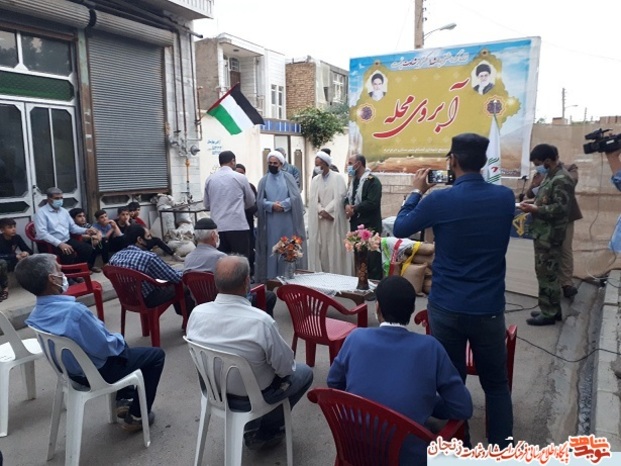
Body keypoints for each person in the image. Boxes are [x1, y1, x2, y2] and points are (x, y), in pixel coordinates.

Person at [393, 133, 514, 448]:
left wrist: (416, 191)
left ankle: (460, 443)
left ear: (453, 160)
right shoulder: (505, 198)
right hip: (488, 308)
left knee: (451, 380)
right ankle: (502, 448)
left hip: (447, 306)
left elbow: (401, 227)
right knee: (496, 385)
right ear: (483, 161)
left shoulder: (439, 200)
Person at [328, 276, 472, 465]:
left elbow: (334, 382)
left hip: (354, 449)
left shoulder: (355, 338)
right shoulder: (431, 347)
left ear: (378, 307)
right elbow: (462, 407)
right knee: (448, 429)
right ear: (412, 311)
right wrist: (427, 402)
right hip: (406, 457)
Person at [17, 254, 165, 432]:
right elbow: (106, 347)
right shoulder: (74, 312)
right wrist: (118, 339)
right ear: (52, 279)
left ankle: (125, 398)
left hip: (71, 375)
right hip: (96, 374)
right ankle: (137, 416)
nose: (63, 274)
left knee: (122, 348)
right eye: (59, 270)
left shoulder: (36, 314)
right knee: (154, 355)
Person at [186, 255, 313, 450]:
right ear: (247, 281)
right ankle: (268, 430)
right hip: (253, 399)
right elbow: (287, 368)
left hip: (213, 392)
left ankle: (254, 425)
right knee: (305, 373)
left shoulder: (197, 314)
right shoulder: (260, 322)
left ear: (216, 282)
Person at [518, 144, 575, 326]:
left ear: (548, 161)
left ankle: (548, 313)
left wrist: (536, 209)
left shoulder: (562, 179)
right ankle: (552, 309)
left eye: (538, 163)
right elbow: (547, 198)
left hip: (550, 235)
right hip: (544, 233)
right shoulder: (551, 176)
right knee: (546, 273)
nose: (537, 167)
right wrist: (533, 201)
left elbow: (560, 208)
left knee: (546, 274)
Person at [183, 218, 276, 316]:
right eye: (217, 233)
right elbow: (242, 287)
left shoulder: (188, 258)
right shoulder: (222, 258)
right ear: (213, 235)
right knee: (269, 296)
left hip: (201, 306)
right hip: (228, 306)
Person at [108, 224, 192, 317]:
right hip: (148, 298)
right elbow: (175, 277)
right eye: (148, 236)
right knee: (186, 283)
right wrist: (189, 273)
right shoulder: (148, 257)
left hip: (128, 299)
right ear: (140, 240)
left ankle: (186, 315)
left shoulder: (115, 257)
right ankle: (191, 317)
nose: (151, 240)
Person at [526, 161, 582, 299]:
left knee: (565, 248)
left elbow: (571, 182)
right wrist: (535, 183)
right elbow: (530, 194)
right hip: (544, 218)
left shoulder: (569, 168)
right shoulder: (540, 173)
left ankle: (566, 284)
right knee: (546, 250)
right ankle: (550, 284)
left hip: (564, 218)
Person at [255, 150, 307, 283]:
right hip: (271, 221)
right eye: (270, 163)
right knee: (272, 247)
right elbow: (260, 200)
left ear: (281, 164)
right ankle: (272, 277)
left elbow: (295, 197)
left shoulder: (288, 178)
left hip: (287, 219)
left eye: (275, 163)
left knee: (288, 246)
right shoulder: (263, 181)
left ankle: (288, 274)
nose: (272, 165)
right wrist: (271, 205)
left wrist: (283, 205)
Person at [203, 150, 256, 258]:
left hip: (218, 227)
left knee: (222, 260)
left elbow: (207, 205)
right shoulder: (241, 178)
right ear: (232, 161)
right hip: (238, 226)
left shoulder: (210, 179)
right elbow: (251, 201)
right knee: (240, 260)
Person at [308, 151, 352, 275]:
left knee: (334, 249)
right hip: (321, 220)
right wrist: (321, 210)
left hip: (334, 220)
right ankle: (324, 275)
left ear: (325, 164)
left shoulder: (338, 178)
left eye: (319, 164)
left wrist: (328, 211)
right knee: (323, 250)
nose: (317, 167)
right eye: (315, 165)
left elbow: (340, 197)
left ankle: (337, 275)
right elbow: (313, 199)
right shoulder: (315, 180)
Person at [34, 187, 100, 265]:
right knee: (68, 253)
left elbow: (73, 228)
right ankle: (69, 271)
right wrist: (60, 244)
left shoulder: (64, 211)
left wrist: (86, 230)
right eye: (56, 198)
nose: (59, 200)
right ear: (49, 199)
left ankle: (78, 269)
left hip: (66, 240)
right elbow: (42, 233)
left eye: (61, 198)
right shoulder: (41, 213)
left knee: (88, 249)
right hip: (50, 243)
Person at [345, 154, 382, 279]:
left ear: (358, 164)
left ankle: (374, 285)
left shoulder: (372, 181)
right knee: (359, 259)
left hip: (370, 227)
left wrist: (354, 208)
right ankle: (361, 283)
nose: (348, 166)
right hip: (356, 226)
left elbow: (372, 203)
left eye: (350, 163)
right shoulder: (353, 181)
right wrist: (347, 206)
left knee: (372, 260)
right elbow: (347, 197)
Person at [0, 217, 32, 302]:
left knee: (29, 259)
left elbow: (29, 250)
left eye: (14, 226)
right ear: (2, 230)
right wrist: (14, 256)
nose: (13, 229)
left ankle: (31, 282)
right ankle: (5, 289)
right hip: (3, 263)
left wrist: (26, 253)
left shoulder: (17, 237)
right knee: (2, 262)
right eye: (10, 227)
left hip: (12, 262)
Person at [235, 163, 258, 276]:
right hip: (235, 225)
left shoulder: (250, 187)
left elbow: (254, 204)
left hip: (248, 223)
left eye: (242, 173)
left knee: (249, 249)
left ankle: (250, 272)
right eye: (237, 173)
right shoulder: (230, 187)